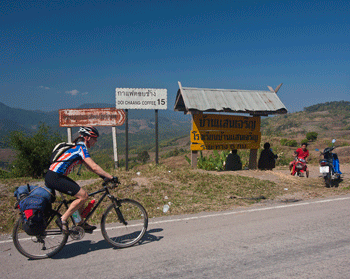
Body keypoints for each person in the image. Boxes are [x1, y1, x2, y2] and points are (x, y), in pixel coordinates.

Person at [45, 126, 116, 234]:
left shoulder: (78, 148)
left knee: (81, 196)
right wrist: (111, 177)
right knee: (83, 196)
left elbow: (89, 167)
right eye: (94, 138)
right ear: (87, 138)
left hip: (55, 176)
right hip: (55, 177)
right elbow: (94, 167)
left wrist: (104, 177)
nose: (95, 141)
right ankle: (62, 219)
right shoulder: (80, 148)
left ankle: (80, 223)